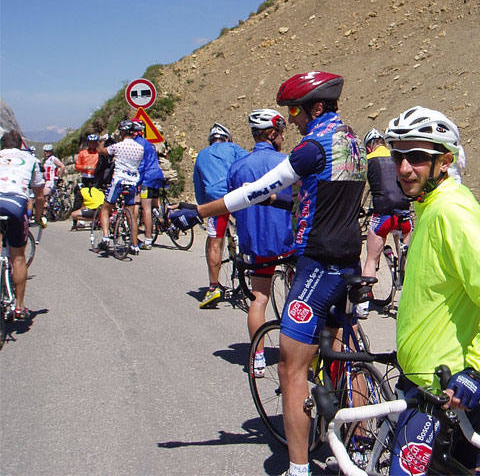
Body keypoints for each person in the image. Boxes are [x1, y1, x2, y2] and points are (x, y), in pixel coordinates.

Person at [171, 71, 366, 476]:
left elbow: (259, 187)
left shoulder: (314, 146)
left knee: (291, 369)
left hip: (317, 263)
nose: (291, 120)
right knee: (344, 351)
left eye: (294, 110)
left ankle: (298, 468)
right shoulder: (353, 142)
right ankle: (362, 440)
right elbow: (313, 197)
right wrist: (284, 206)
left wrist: (200, 210)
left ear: (315, 108)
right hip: (348, 258)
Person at [381, 106, 480, 475]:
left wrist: (479, 369)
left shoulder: (450, 211)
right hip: (434, 379)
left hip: (443, 389)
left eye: (416, 157)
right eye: (398, 156)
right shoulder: (431, 204)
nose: (403, 168)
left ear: (444, 161)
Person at [226, 108, 294, 377]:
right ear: (273, 133)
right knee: (296, 299)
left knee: (259, 298)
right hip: (287, 242)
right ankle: (297, 356)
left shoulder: (238, 166)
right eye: (281, 133)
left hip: (256, 244)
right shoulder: (288, 162)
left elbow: (233, 206)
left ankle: (257, 357)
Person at [358, 128, 412, 316]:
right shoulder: (396, 157)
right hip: (404, 213)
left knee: (371, 258)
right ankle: (410, 299)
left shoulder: (369, 160)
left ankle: (363, 306)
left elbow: (360, 187)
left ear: (369, 146)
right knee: (410, 259)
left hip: (382, 216)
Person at [192, 122, 247, 307]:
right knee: (246, 232)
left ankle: (213, 288)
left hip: (216, 203)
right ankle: (252, 275)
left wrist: (205, 206)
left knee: (214, 244)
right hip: (238, 197)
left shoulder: (201, 155)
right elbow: (248, 164)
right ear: (227, 138)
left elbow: (199, 188)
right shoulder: (233, 148)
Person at [0, 130, 45, 320]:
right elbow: (40, 195)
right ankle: (19, 306)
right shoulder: (30, 159)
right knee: (18, 257)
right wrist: (37, 217)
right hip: (15, 204)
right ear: (20, 145)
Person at [96, 121, 144, 254]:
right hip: (133, 181)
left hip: (118, 180)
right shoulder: (140, 148)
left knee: (105, 209)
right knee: (131, 216)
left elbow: (101, 151)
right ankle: (135, 245)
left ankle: (105, 238)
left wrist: (102, 141)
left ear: (122, 132)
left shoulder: (118, 146)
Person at [132, 120, 165, 250]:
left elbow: (141, 165)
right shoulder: (149, 143)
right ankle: (165, 221)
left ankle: (148, 239)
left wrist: (136, 181)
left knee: (146, 208)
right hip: (157, 174)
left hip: (147, 178)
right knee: (156, 204)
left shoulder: (137, 144)